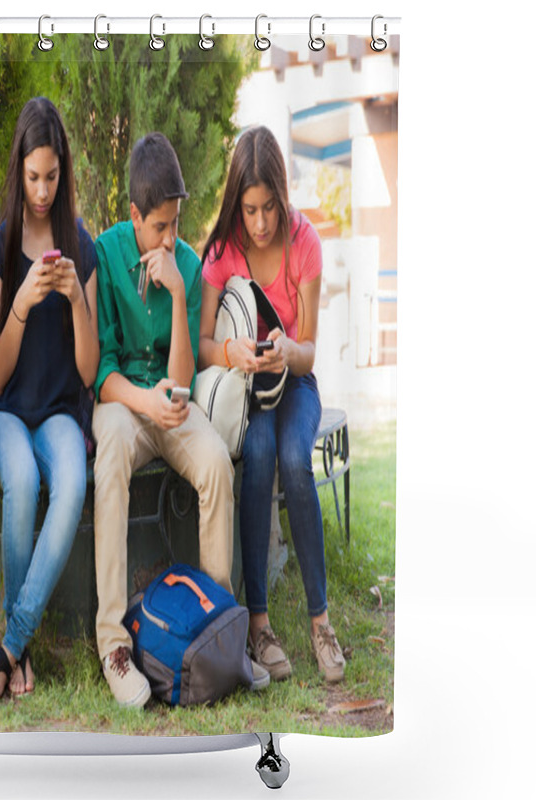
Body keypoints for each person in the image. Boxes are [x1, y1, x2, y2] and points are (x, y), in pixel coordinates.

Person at [92, 132, 269, 708]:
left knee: (217, 463)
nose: (170, 237)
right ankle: (114, 644)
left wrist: (173, 293)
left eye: (176, 223)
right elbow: (102, 372)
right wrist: (146, 403)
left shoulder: (187, 266)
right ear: (135, 216)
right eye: (160, 226)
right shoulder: (106, 252)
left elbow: (185, 375)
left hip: (173, 404)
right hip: (124, 407)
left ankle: (216, 632)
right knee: (112, 454)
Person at [199, 126, 346, 683]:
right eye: (250, 209)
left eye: (269, 208)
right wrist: (236, 352)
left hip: (297, 383)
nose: (260, 223)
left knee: (294, 461)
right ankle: (259, 624)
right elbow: (205, 346)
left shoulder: (304, 241)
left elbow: (309, 351)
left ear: (283, 198)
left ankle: (320, 621)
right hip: (246, 392)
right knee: (257, 456)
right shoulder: (223, 250)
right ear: (237, 202)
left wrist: (286, 350)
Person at [0, 97, 99, 702]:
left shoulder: (82, 245)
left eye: (52, 176)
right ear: (18, 171)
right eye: (33, 177)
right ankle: (17, 651)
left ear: (63, 171)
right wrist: (22, 301)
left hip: (58, 413)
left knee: (70, 485)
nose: (43, 190)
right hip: (6, 418)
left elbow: (89, 370)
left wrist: (76, 300)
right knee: (21, 480)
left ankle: (11, 647)